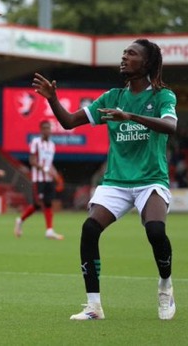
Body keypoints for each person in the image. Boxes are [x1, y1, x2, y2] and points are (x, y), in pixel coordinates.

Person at [33, 38, 178, 321]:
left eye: (131, 54)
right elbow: (69, 122)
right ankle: (93, 306)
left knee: (156, 232)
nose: (124, 57)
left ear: (147, 63)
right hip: (116, 182)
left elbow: (171, 126)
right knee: (89, 229)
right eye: (124, 53)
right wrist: (51, 98)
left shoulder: (162, 96)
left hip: (151, 179)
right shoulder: (112, 96)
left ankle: (165, 285)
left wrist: (130, 116)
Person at [14, 120, 64, 240]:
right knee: (37, 204)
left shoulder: (52, 145)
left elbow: (50, 163)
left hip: (48, 179)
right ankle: (20, 220)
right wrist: (44, 168)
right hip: (38, 179)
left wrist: (55, 174)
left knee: (48, 203)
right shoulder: (35, 142)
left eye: (49, 128)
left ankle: (49, 230)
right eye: (45, 128)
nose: (48, 130)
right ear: (41, 130)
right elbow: (32, 161)